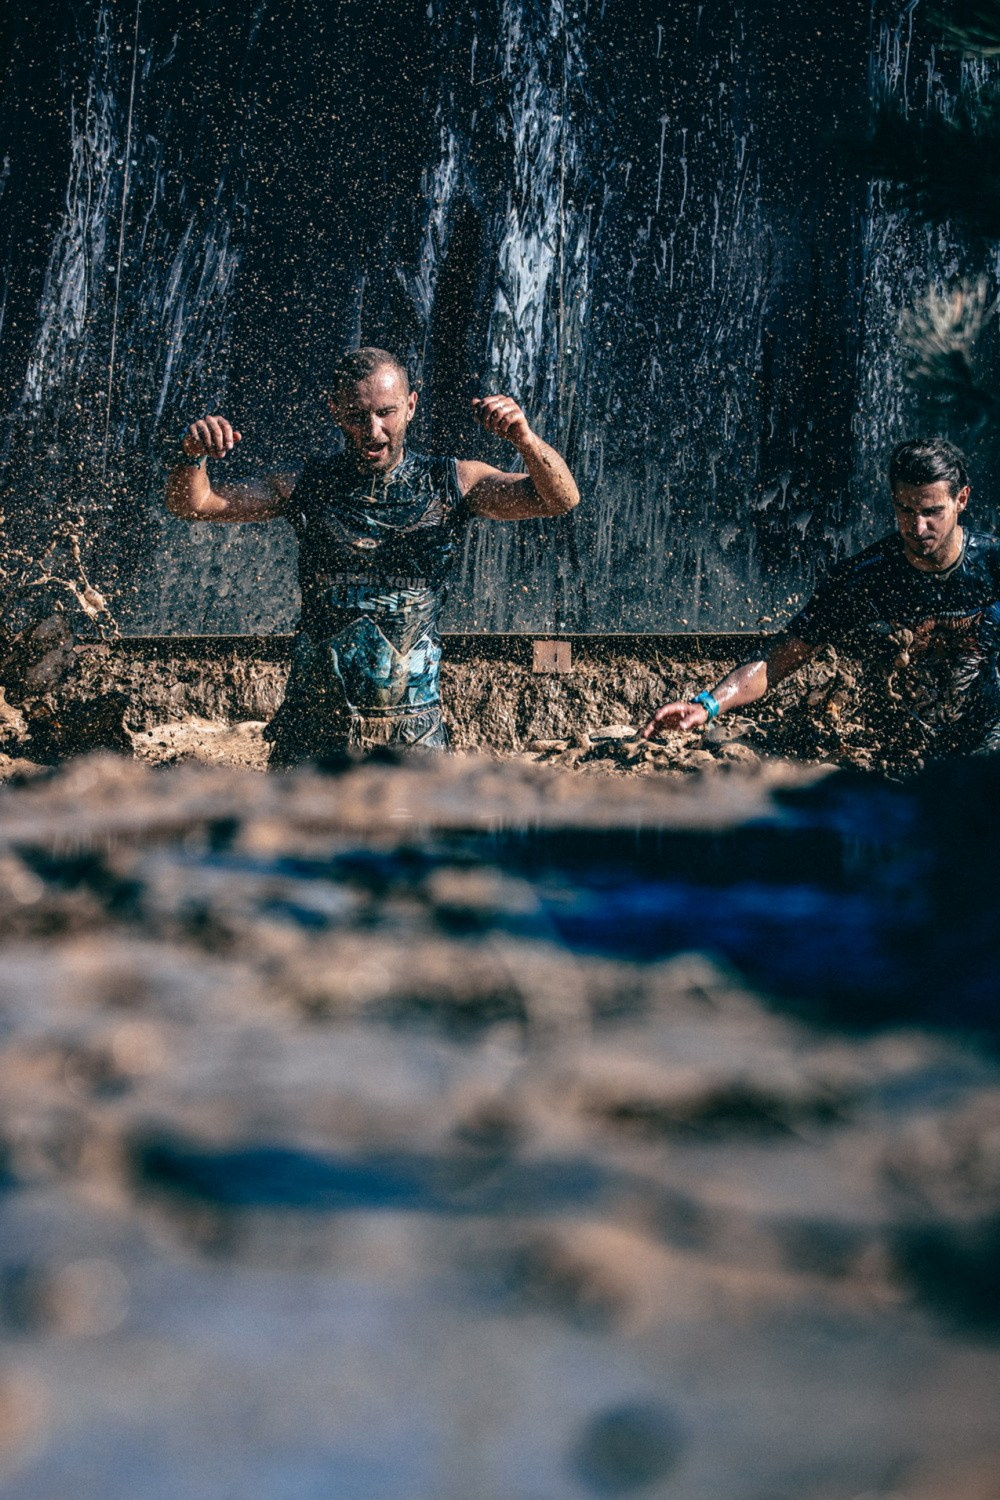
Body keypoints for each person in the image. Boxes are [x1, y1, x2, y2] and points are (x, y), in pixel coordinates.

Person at [166, 347, 579, 760]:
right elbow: (195, 503)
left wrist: (524, 439)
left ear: (411, 406)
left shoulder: (452, 482)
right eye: (356, 415)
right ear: (334, 410)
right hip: (312, 732)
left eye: (387, 412)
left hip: (414, 735)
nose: (373, 430)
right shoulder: (306, 485)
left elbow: (560, 498)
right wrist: (193, 453)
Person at [642, 437, 1000, 761]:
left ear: (961, 500)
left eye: (932, 512)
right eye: (906, 511)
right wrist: (706, 705)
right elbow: (778, 659)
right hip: (901, 754)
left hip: (988, 742)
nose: (918, 527)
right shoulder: (864, 579)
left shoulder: (993, 565)